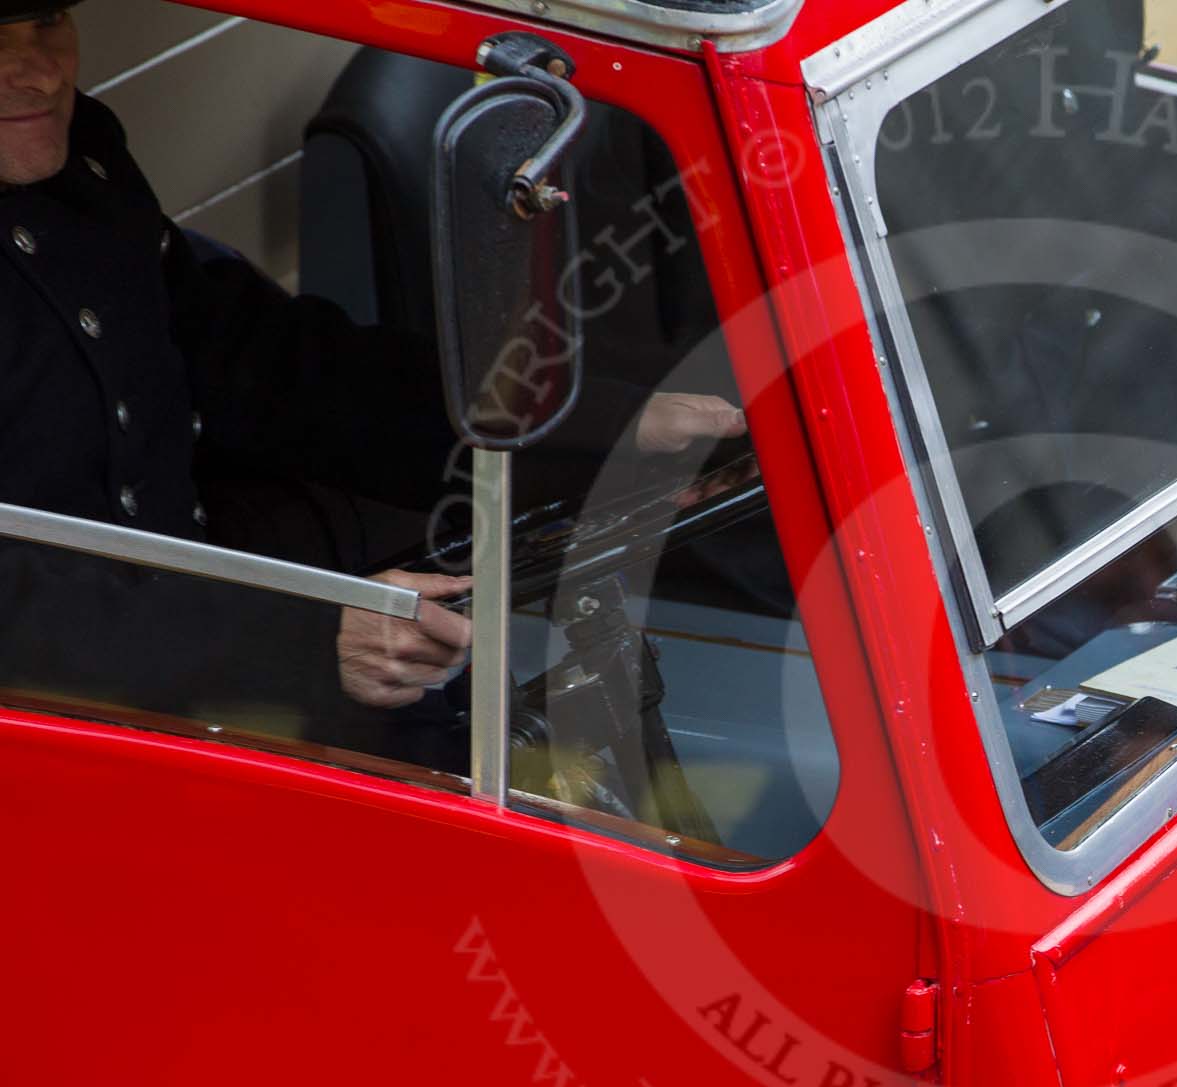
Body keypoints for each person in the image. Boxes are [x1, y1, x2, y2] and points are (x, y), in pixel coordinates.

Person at [0, 3, 742, 727]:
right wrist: (297, 640)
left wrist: (598, 423)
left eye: (47, 23)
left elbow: (275, 369)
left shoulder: (84, 162)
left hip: (194, 664)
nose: (39, 74)